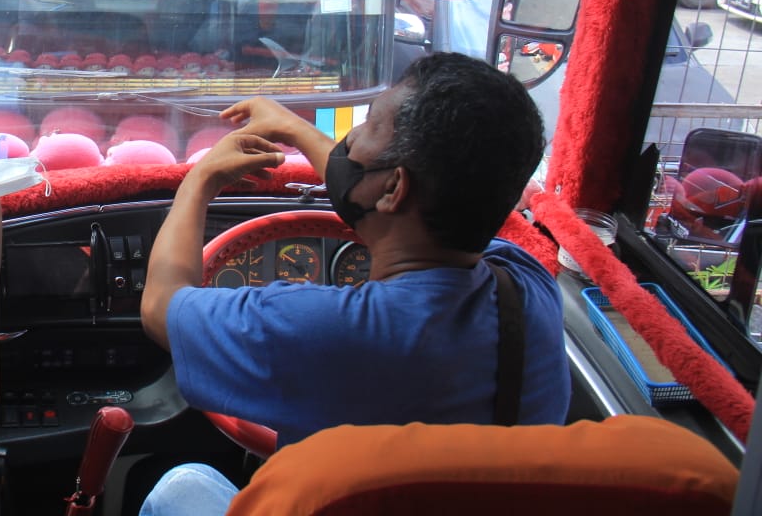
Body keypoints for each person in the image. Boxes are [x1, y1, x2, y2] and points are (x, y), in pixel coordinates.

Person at [138, 52, 569, 515]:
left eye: (366, 126)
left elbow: (161, 306)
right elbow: (379, 192)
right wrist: (296, 130)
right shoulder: (529, 287)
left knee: (180, 485)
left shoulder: (317, 329)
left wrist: (200, 180)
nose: (349, 139)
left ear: (393, 189)